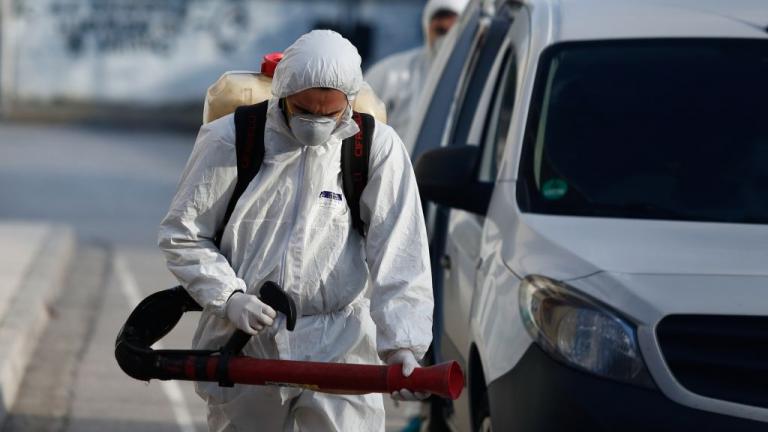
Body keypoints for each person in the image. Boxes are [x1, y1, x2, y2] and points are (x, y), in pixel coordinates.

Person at [158, 29, 433, 431]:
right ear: (282, 93)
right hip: (246, 341)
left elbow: (400, 248)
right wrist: (229, 297)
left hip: (338, 345)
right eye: (305, 110)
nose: (317, 122)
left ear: (349, 104)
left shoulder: (373, 149)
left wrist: (404, 345)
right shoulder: (232, 140)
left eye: (330, 113)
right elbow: (183, 233)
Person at [364, 0, 469, 151]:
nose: (446, 39)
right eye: (441, 31)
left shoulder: (477, 79)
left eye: (453, 32)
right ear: (427, 26)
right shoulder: (390, 75)